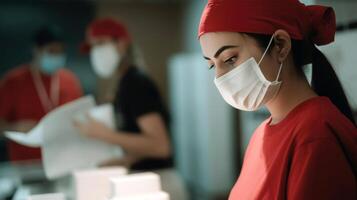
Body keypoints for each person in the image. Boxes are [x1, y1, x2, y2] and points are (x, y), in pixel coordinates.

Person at [198, 0, 357, 199]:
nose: (220, 78)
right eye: (213, 65)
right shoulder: (261, 135)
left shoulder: (315, 135)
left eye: (230, 59)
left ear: (280, 46)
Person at [75, 18, 187, 199]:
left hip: (158, 182)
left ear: (121, 43)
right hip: (144, 179)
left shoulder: (136, 83)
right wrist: (124, 160)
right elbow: (143, 145)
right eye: (93, 47)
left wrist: (103, 134)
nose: (96, 52)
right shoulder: (123, 84)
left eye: (101, 43)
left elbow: (160, 146)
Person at [0, 25, 83, 161]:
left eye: (60, 52)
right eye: (51, 51)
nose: (56, 56)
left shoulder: (70, 80)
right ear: (36, 50)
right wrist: (13, 127)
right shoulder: (13, 82)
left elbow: (80, 119)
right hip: (26, 164)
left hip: (65, 159)